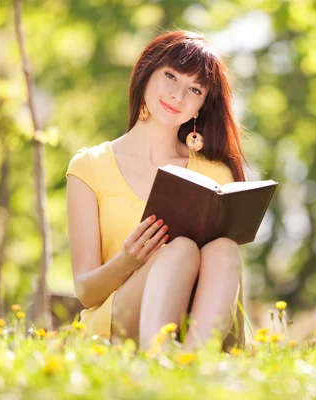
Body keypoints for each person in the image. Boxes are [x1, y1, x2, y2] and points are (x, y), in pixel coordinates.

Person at [65, 30, 249, 353]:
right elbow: (85, 291)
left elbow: (228, 281)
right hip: (116, 329)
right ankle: (158, 363)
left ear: (200, 107)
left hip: (199, 325)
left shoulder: (217, 174)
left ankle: (192, 366)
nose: (178, 95)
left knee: (224, 250)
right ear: (146, 74)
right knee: (179, 251)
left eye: (194, 89)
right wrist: (127, 260)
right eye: (170, 76)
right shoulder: (89, 166)